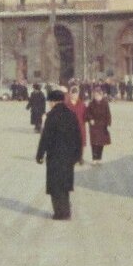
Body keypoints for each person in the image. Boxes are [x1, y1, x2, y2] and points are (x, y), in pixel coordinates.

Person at [36, 89, 82, 220]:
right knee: (65, 185)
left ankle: (59, 213)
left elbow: (45, 137)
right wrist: (77, 155)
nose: (49, 104)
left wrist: (40, 154)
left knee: (55, 185)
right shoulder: (71, 115)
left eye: (50, 101)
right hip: (68, 157)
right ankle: (66, 211)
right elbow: (78, 137)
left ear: (53, 101)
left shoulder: (51, 116)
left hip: (55, 156)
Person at [84, 87, 112, 165]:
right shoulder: (91, 103)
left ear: (101, 95)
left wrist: (108, 123)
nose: (97, 97)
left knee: (101, 143)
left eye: (98, 95)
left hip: (102, 125)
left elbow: (108, 114)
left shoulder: (105, 103)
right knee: (94, 143)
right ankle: (94, 158)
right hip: (94, 125)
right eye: (95, 95)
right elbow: (87, 113)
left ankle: (99, 158)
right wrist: (90, 119)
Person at [64, 85, 88, 162]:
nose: (74, 95)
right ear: (70, 94)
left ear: (78, 94)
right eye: (73, 93)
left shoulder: (82, 104)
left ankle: (80, 157)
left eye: (76, 94)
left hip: (80, 126)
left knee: (80, 143)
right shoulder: (66, 105)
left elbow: (87, 114)